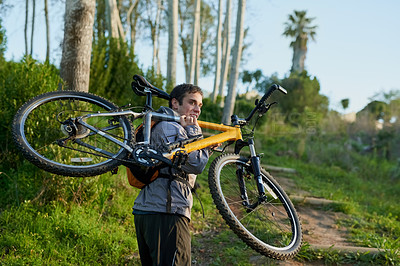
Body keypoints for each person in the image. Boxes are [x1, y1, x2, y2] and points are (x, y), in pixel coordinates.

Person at [132, 83, 212, 265]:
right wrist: (194, 131)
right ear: (175, 104)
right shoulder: (170, 126)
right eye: (192, 103)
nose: (197, 109)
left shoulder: (172, 127)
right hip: (166, 212)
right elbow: (196, 164)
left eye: (200, 105)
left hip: (152, 210)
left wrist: (206, 149)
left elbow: (182, 163)